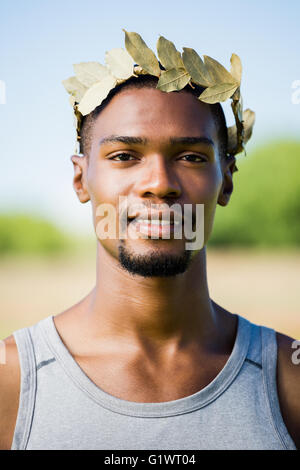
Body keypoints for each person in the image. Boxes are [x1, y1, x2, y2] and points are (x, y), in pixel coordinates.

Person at [0, 31, 299, 450]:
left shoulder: (288, 376)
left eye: (191, 157)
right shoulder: (12, 379)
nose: (159, 184)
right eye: (124, 156)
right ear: (81, 178)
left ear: (226, 180)